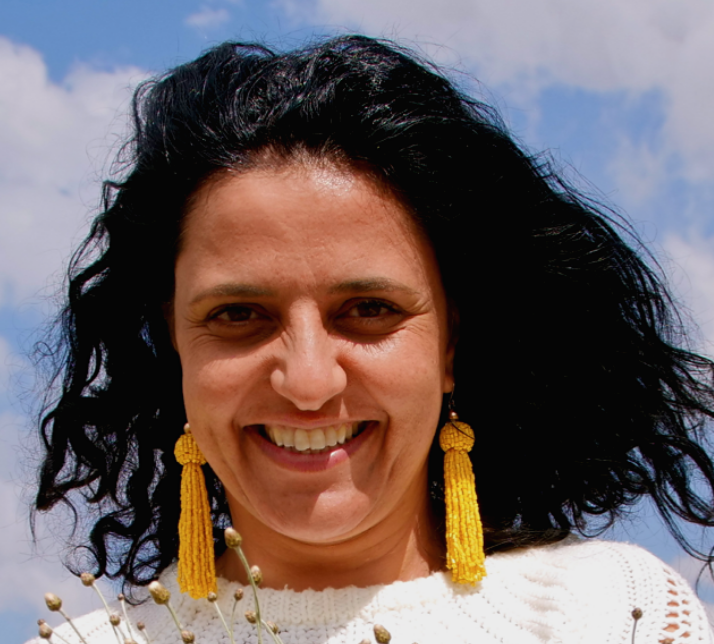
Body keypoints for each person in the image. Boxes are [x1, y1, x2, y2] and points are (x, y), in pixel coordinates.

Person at [28, 35, 714, 643]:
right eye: (239, 315)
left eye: (368, 309)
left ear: (453, 343)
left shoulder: (614, 613)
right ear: (173, 346)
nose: (307, 380)